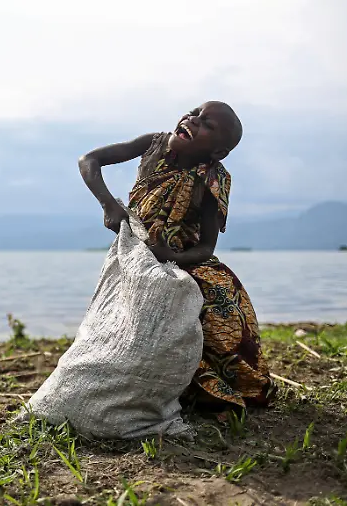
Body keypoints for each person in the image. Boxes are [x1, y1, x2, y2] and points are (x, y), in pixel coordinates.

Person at [77, 101, 277, 412]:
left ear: (217, 153)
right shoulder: (153, 144)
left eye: (207, 124)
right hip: (135, 256)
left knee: (218, 307)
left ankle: (205, 389)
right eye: (194, 113)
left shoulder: (213, 179)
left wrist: (171, 257)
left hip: (182, 260)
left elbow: (206, 248)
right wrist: (108, 204)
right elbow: (89, 160)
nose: (193, 120)